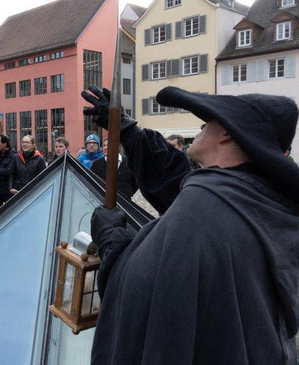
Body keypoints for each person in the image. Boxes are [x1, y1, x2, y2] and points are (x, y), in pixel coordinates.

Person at [81, 85, 299, 364]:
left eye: (208, 121)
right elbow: (177, 180)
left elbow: (144, 289)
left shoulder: (206, 208)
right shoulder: (253, 196)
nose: (200, 127)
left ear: (229, 133)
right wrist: (127, 130)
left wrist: (111, 239)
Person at [0, 135, 15, 212]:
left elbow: (8, 171)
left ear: (5, 144)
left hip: (8, 190)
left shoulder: (13, 155)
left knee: (11, 212)